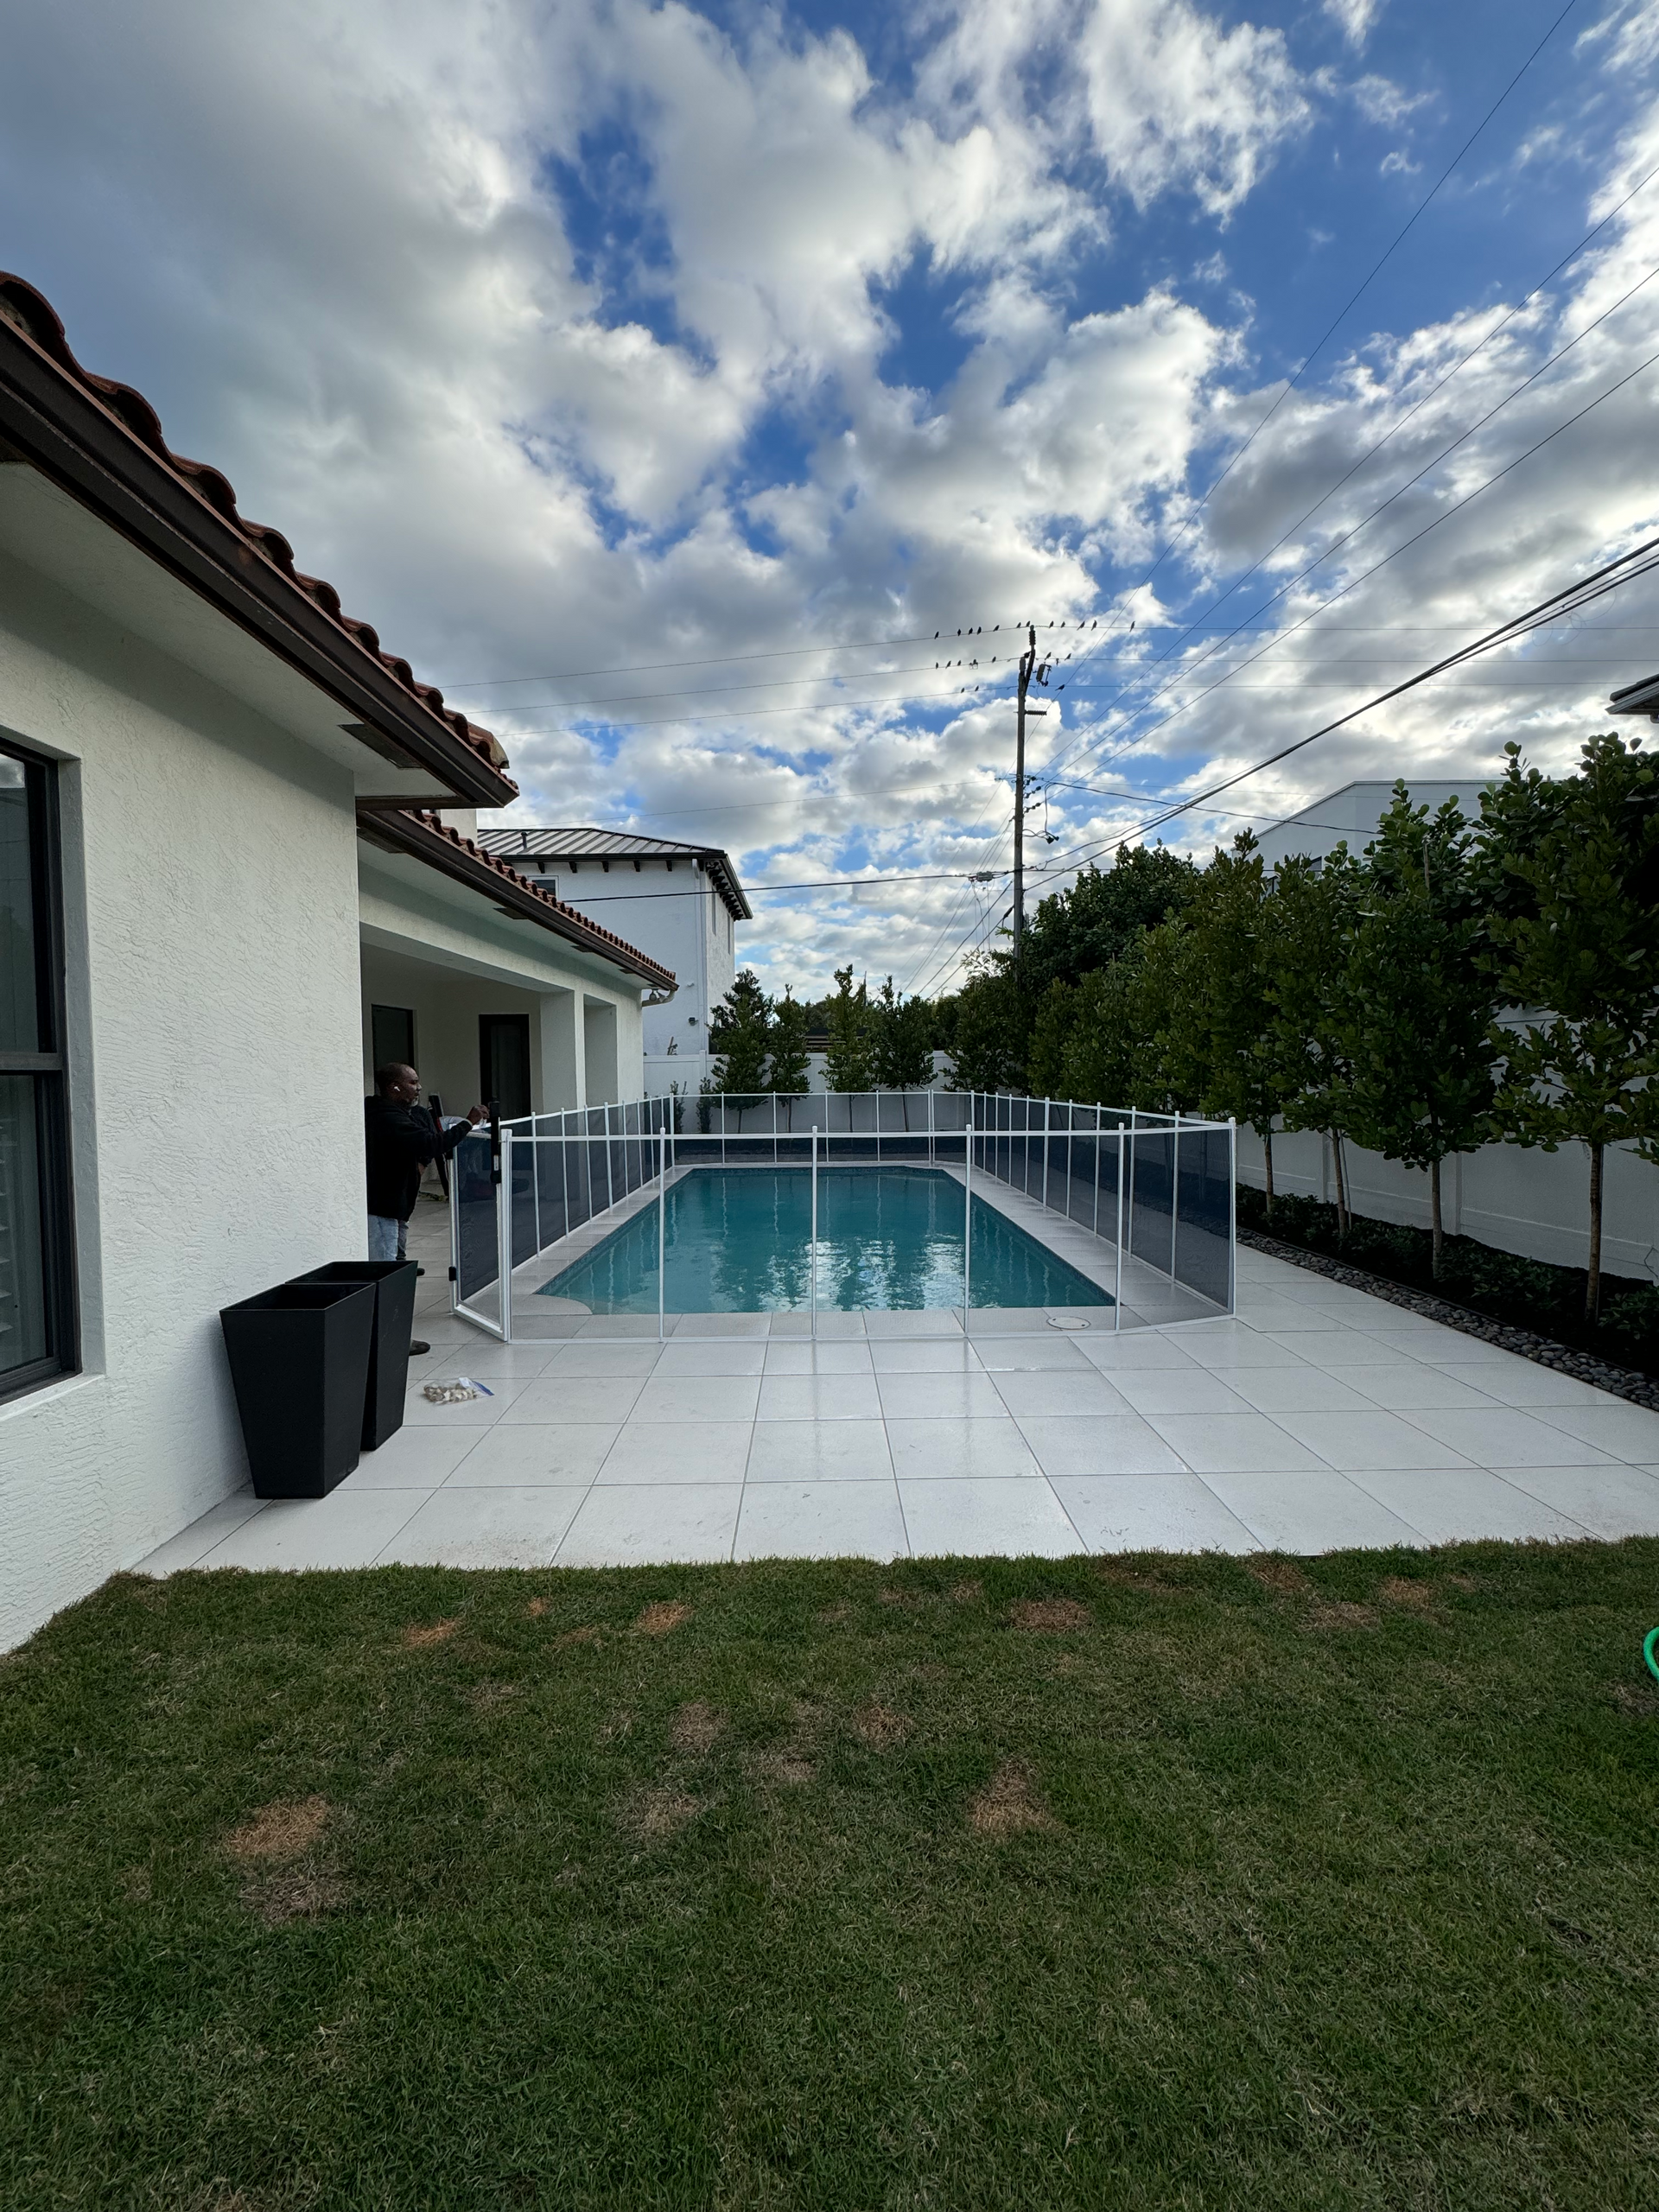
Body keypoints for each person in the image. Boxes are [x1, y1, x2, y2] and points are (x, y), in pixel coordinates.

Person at [365, 1061, 486, 1262]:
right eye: (413, 1082)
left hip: (397, 1205)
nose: (419, 1088)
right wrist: (467, 1123)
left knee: (397, 1257)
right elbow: (432, 1143)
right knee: (385, 1264)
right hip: (383, 1207)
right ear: (395, 1086)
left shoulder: (401, 1113)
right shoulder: (386, 1117)